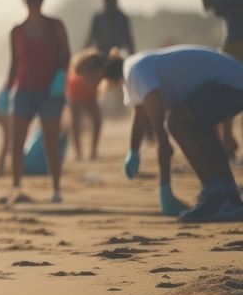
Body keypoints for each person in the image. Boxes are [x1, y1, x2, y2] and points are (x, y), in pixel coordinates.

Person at [85, 45, 243, 221]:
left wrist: (164, 183)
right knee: (196, 126)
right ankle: (228, 197)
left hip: (231, 81)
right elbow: (140, 113)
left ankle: (217, 196)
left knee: (177, 123)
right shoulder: (131, 72)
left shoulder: (134, 70)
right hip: (233, 80)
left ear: (95, 71)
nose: (85, 84)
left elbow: (156, 109)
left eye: (84, 77)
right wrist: (133, 151)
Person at [1, 0, 70, 205]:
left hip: (50, 92)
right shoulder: (16, 30)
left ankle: (56, 189)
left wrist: (61, 77)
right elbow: (14, 64)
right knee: (16, 143)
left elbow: (65, 56)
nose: (33, 2)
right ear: (24, 0)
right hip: (23, 92)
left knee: (51, 142)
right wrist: (5, 90)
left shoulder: (55, 26)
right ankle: (16, 187)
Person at [193, 0, 243, 160]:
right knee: (226, 84)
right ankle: (227, 137)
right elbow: (208, 5)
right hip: (232, 36)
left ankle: (227, 137)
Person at [66, 48, 103, 162]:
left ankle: (93, 151)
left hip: (90, 92)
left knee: (97, 119)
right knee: (75, 122)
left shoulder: (97, 65)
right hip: (76, 92)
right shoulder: (79, 70)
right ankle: (78, 152)